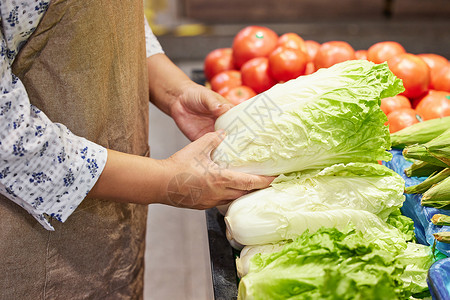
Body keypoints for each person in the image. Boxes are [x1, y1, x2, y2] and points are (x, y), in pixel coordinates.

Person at [0, 1, 272, 299]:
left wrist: (175, 91)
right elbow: (9, 138)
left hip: (112, 223)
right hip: (30, 241)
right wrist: (166, 181)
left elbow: (114, 22)